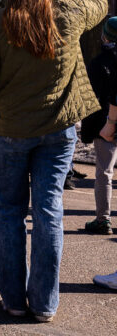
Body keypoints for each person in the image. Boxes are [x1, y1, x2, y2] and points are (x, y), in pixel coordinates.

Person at [0, 0, 107, 322]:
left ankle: (13, 301)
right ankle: (45, 304)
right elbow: (99, 0)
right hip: (58, 129)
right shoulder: (71, 12)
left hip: (10, 130)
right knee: (49, 211)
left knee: (10, 213)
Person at [80, 16, 117, 235]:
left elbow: (91, 97)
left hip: (106, 123)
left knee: (104, 172)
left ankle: (103, 219)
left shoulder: (98, 62)